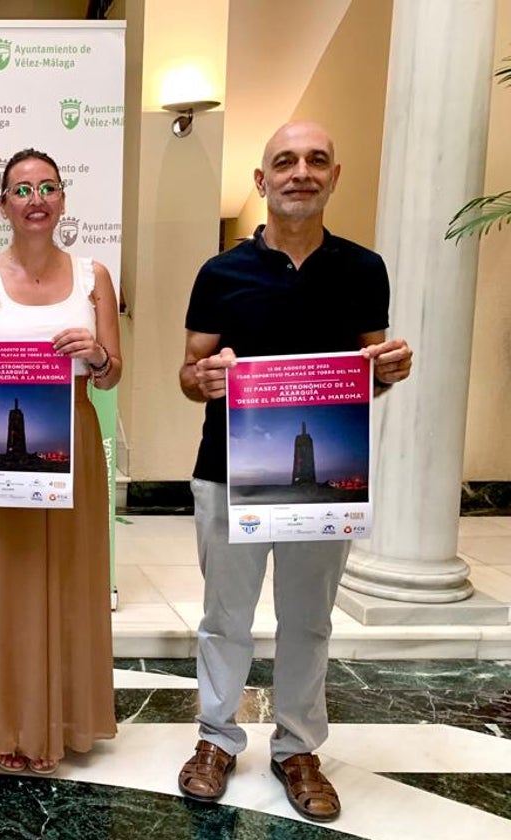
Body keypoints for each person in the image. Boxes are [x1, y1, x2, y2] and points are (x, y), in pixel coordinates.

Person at [176, 121, 413, 822]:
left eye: (316, 160)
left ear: (335, 177)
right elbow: (189, 373)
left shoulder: (363, 269)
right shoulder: (220, 273)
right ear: (262, 180)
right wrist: (206, 378)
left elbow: (370, 369)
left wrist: (389, 371)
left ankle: (297, 749)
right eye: (285, 161)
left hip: (319, 486)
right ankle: (216, 739)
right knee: (225, 618)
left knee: (308, 620)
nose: (300, 172)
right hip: (227, 472)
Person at [0, 149, 122, 775]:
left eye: (47, 187)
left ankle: (59, 721)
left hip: (70, 445)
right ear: (4, 204)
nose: (35, 199)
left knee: (66, 579)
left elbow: (113, 376)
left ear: (63, 199)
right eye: (21, 189)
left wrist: (95, 353)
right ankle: (1, 722)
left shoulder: (95, 276)